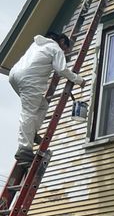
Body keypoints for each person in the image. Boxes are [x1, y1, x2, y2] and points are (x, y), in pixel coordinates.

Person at [9, 31, 84, 164]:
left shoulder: (38, 45)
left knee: (42, 106)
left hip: (15, 75)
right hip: (29, 80)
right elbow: (61, 69)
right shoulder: (55, 48)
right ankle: (24, 149)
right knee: (29, 112)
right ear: (62, 42)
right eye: (66, 48)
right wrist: (78, 80)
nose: (66, 52)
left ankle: (31, 134)